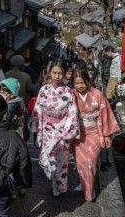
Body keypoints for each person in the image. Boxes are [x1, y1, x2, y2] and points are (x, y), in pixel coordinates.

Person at [30, 60, 80, 197]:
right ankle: (53, 182)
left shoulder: (69, 92)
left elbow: (72, 114)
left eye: (60, 73)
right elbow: (38, 111)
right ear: (49, 72)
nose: (57, 76)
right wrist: (38, 131)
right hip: (46, 131)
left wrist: (68, 133)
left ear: (64, 74)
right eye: (54, 73)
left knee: (61, 162)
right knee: (46, 161)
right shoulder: (43, 90)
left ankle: (60, 187)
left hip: (62, 132)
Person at [71, 68, 120, 201]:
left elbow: (105, 113)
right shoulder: (71, 95)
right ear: (73, 84)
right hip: (78, 134)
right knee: (80, 163)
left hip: (94, 132)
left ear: (87, 81)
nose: (80, 86)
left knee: (90, 162)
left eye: (82, 82)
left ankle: (89, 191)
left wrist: (106, 135)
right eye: (77, 83)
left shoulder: (97, 94)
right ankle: (85, 185)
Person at [0, 78, 29, 142]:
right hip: (19, 137)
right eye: (0, 90)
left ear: (12, 94)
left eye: (4, 91)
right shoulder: (20, 102)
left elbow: (4, 125)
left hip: (9, 140)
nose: (1, 93)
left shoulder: (9, 107)